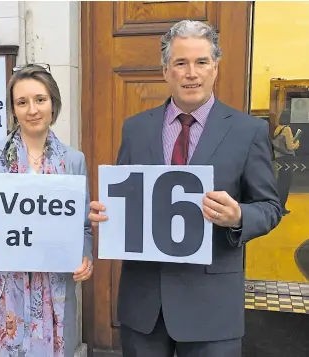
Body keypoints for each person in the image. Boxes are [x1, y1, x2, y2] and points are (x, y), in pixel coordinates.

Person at [89, 20, 282, 357]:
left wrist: (238, 216)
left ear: (215, 68)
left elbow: (269, 206)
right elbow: (128, 199)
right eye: (181, 63)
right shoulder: (135, 129)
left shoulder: (248, 131)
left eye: (201, 62)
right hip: (145, 306)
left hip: (212, 309)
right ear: (166, 71)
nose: (191, 73)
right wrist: (107, 213)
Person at [0, 64, 93, 357]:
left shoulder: (74, 160)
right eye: (22, 102)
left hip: (56, 292)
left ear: (53, 104)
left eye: (40, 100)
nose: (32, 110)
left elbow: (83, 226)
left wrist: (85, 256)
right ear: (13, 109)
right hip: (2, 294)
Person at [272, 109, 300, 215]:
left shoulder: (278, 128)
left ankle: (277, 206)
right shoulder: (287, 129)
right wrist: (296, 143)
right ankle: (281, 207)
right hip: (286, 159)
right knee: (285, 183)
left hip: (278, 158)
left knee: (280, 182)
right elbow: (290, 146)